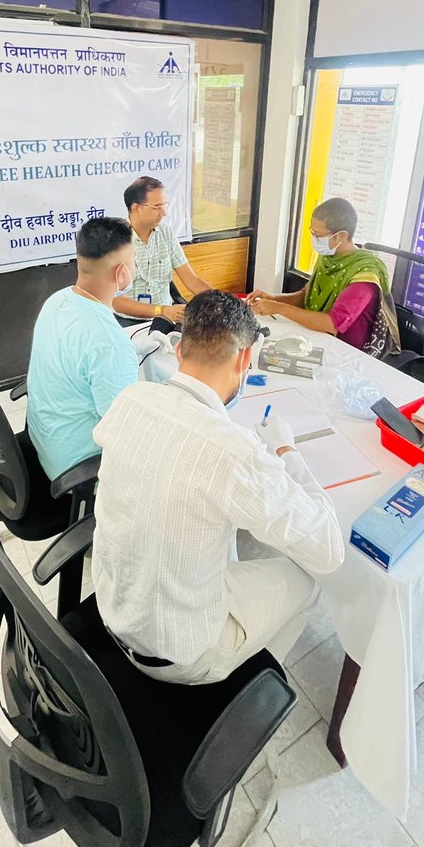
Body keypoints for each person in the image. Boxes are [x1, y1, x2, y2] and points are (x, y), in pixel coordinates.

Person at [92, 290, 344, 684]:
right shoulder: (234, 451)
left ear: (179, 349)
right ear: (245, 360)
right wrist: (287, 452)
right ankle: (242, 686)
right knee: (308, 582)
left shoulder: (131, 398)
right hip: (180, 655)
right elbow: (328, 551)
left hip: (114, 615)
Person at [27, 217, 139, 480]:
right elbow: (122, 432)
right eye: (134, 259)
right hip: (80, 469)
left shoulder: (56, 301)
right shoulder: (108, 342)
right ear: (121, 272)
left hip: (46, 442)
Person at [248, 197, 400, 358]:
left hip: (349, 351)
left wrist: (278, 308)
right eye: (312, 233)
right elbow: (306, 296)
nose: (315, 240)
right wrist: (273, 299)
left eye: (318, 235)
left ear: (341, 236)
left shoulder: (364, 273)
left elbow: (332, 324)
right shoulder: (329, 257)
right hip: (316, 337)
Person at [113, 176, 211, 326]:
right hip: (127, 322)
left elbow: (192, 280)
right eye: (157, 207)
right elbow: (116, 300)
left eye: (164, 205)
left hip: (165, 319)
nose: (164, 213)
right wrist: (161, 310)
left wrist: (222, 301)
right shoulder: (116, 239)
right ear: (136, 208)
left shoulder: (165, 233)